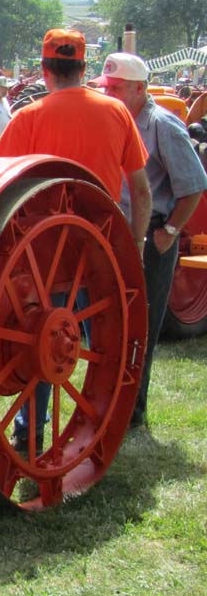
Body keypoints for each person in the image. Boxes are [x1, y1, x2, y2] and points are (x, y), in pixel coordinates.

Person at [0, 29, 152, 453]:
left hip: (44, 254)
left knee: (38, 338)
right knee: (105, 342)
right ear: (83, 68)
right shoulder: (117, 113)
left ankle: (31, 429)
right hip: (98, 249)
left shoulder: (29, 117)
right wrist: (133, 246)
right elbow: (141, 189)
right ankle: (110, 416)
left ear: (46, 70)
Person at [98, 52, 207, 429]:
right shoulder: (117, 120)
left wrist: (170, 232)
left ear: (140, 89)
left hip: (152, 234)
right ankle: (108, 403)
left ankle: (133, 411)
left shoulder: (163, 126)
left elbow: (194, 186)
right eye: (106, 87)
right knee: (114, 321)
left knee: (141, 322)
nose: (109, 93)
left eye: (117, 88)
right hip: (120, 232)